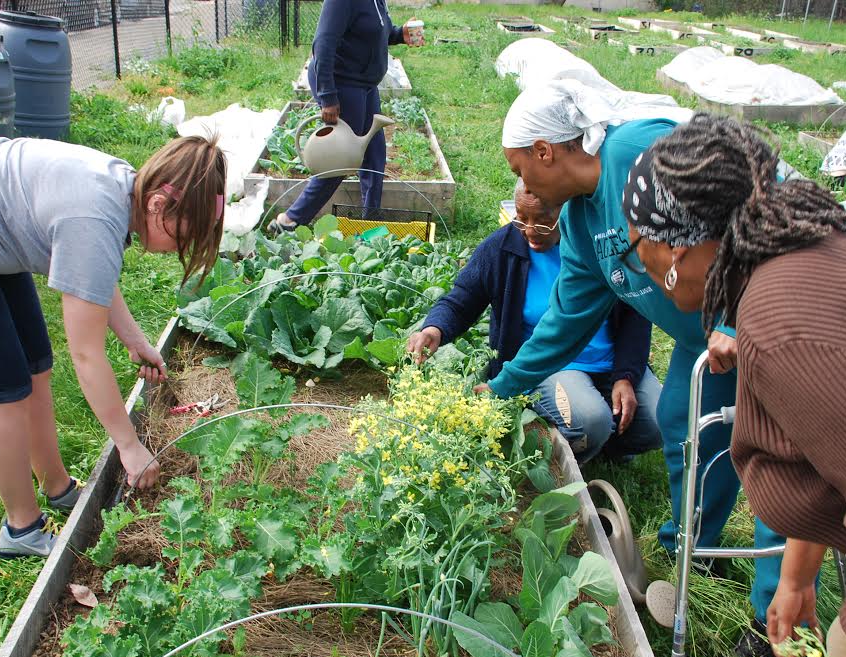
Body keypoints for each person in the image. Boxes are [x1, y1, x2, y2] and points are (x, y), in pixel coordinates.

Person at [619, 111, 846, 657]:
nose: (647, 271)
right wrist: (797, 575)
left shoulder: (784, 319)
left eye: (638, 249)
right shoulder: (787, 269)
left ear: (676, 248)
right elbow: (834, 455)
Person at [478, 79, 785, 657]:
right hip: (705, 341)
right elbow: (569, 318)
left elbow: (749, 197)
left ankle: (774, 624)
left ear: (546, 151)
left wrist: (731, 316)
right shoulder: (580, 221)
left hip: (766, 317)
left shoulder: (640, 152)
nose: (524, 189)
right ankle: (694, 545)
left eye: (521, 168)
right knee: (683, 421)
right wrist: (504, 389)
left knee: (777, 460)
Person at [0, 135, 226, 558]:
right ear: (157, 205)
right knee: (6, 387)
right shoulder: (94, 217)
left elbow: (91, 273)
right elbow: (86, 354)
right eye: (183, 238)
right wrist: (129, 447)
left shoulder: (119, 194)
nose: (178, 251)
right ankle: (20, 529)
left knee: (36, 364)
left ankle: (57, 487)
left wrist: (133, 339)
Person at [407, 181, 662, 463]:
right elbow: (462, 297)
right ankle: (568, 445)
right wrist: (435, 328)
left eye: (543, 221)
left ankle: (608, 447)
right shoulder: (502, 249)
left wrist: (625, 376)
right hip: (550, 367)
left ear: (568, 211)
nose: (529, 231)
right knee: (591, 419)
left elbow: (635, 314)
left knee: (661, 420)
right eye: (521, 218)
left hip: (609, 360)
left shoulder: (599, 244)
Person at [269, 0, 424, 232]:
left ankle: (370, 221)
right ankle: (289, 220)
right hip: (342, 82)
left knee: (374, 153)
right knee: (340, 159)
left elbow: (373, 32)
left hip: (365, 85)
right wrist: (328, 96)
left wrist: (399, 34)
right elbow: (323, 43)